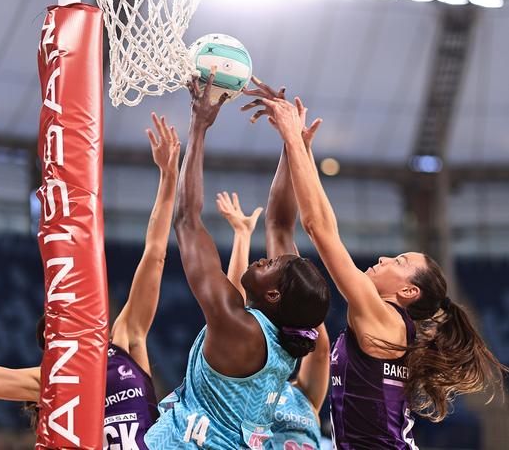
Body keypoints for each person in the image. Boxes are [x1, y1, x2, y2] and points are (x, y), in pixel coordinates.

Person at [243, 79, 509, 449]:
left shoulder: (384, 319)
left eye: (399, 261)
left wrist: (292, 138)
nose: (384, 258)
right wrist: (298, 148)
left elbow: (319, 227)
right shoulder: (387, 324)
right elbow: (307, 226)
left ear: (408, 291)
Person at [0, 113, 181, 450]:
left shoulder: (126, 340)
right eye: (55, 331)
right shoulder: (48, 379)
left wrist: (168, 177)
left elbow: (155, 254)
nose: (67, 324)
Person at [144, 70, 330, 449]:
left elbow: (187, 220)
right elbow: (279, 223)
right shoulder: (275, 329)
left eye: (270, 266)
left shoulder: (238, 328)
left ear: (275, 295)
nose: (263, 260)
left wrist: (199, 125)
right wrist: (290, 141)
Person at [216, 97, 329, 450]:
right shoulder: (245, 381)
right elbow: (237, 307)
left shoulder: (306, 394)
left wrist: (293, 144)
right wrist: (292, 143)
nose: (269, 262)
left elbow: (280, 226)